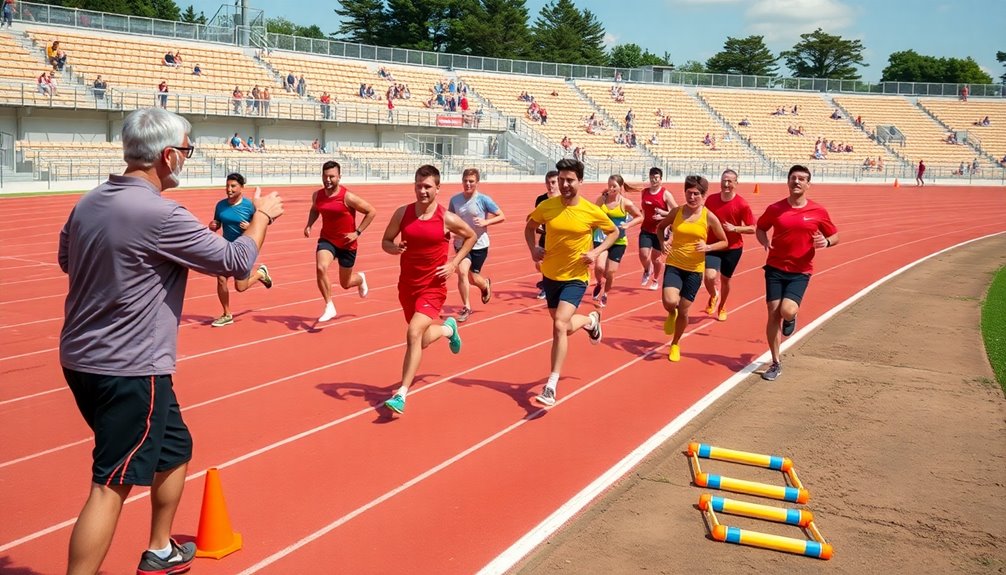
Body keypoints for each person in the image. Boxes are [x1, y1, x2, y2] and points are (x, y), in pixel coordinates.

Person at [57, 107, 284, 575]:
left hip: (82, 357)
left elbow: (67, 259)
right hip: (130, 366)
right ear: (167, 157)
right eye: (188, 150)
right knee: (111, 483)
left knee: (175, 448)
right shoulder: (161, 214)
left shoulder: (90, 202)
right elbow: (237, 261)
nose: (189, 157)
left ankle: (160, 548)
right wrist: (261, 217)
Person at [381, 165, 476, 414]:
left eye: (427, 186)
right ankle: (447, 329)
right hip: (407, 286)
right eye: (418, 185)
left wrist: (454, 263)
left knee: (413, 334)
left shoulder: (446, 218)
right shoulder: (402, 213)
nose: (422, 190)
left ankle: (401, 393)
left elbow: (471, 236)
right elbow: (385, 241)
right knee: (420, 340)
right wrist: (395, 248)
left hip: (433, 287)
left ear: (437, 188)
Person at [524, 159, 617, 407]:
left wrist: (597, 253)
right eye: (562, 180)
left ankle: (551, 386)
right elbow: (530, 225)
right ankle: (591, 321)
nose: (565, 184)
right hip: (550, 275)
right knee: (563, 327)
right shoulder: (548, 206)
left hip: (576, 277)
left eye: (570, 180)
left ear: (580, 181)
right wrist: (533, 248)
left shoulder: (591, 211)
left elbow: (614, 232)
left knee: (558, 325)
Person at [755, 165, 839, 381]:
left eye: (802, 179)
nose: (797, 182)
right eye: (793, 178)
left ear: (808, 184)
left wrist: (826, 241)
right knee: (773, 313)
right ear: (788, 182)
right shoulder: (775, 209)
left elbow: (835, 235)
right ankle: (775, 363)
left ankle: (791, 317)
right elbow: (760, 227)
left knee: (787, 310)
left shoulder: (818, 212)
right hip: (774, 268)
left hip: (800, 270)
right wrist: (764, 242)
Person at [655, 176, 728, 362]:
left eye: (696, 194)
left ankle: (675, 343)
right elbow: (660, 227)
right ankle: (671, 312)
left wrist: (708, 247)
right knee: (670, 302)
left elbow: (724, 241)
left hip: (694, 270)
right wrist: (663, 243)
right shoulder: (677, 212)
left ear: (703, 195)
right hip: (674, 264)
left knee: (685, 310)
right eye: (689, 193)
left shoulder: (709, 216)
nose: (692, 197)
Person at [304, 161, 377, 322]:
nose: (328, 180)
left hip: (347, 244)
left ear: (339, 177)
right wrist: (309, 224)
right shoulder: (317, 195)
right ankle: (329, 305)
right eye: (325, 176)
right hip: (327, 240)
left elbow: (371, 211)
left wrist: (357, 232)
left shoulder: (347, 197)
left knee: (346, 283)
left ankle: (360, 279)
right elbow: (315, 209)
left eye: (332, 176)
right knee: (320, 267)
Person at [207, 173, 274, 326]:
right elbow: (217, 222)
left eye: (233, 186)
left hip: (244, 250)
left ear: (241, 188)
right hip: (225, 248)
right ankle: (226, 313)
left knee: (240, 287)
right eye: (227, 185)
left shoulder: (249, 206)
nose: (229, 189)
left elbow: (263, 224)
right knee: (221, 278)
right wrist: (214, 226)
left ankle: (260, 274)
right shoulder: (220, 205)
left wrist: (250, 226)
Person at [448, 168, 505, 322]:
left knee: (473, 278)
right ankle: (466, 307)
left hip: (479, 245)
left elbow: (501, 215)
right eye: (465, 180)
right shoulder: (455, 200)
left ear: (477, 183)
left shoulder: (484, 200)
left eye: (471, 181)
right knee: (462, 272)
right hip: (461, 243)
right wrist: (448, 231)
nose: (468, 184)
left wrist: (486, 221)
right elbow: (450, 219)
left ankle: (485, 284)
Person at [701, 169, 755, 321]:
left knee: (725, 280)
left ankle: (722, 305)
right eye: (724, 180)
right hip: (713, 245)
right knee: (709, 276)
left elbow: (752, 228)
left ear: (736, 183)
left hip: (732, 248)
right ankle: (714, 295)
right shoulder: (711, 200)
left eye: (730, 181)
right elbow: (704, 218)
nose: (726, 184)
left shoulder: (742, 204)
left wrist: (735, 228)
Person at [591, 175, 643, 308]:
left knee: (610, 272)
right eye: (609, 185)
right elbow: (593, 214)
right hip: (601, 237)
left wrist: (627, 225)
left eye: (614, 186)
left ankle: (605, 294)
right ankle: (598, 283)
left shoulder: (625, 203)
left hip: (618, 240)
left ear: (620, 187)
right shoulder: (601, 200)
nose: (611, 188)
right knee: (599, 267)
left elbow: (639, 217)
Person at [638, 167, 677, 291]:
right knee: (643, 254)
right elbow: (644, 209)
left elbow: (676, 211)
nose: (654, 180)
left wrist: (663, 214)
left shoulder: (665, 193)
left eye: (656, 178)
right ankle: (646, 270)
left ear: (661, 179)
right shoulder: (644, 192)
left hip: (660, 230)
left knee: (656, 258)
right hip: (646, 228)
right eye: (652, 178)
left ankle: (655, 279)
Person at [532, 170, 560, 299]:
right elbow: (536, 220)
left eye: (553, 182)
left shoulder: (564, 199)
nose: (551, 185)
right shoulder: (541, 199)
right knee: (541, 263)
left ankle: (550, 286)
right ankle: (546, 284)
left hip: (561, 237)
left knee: (558, 264)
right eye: (548, 183)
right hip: (545, 236)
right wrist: (535, 244)